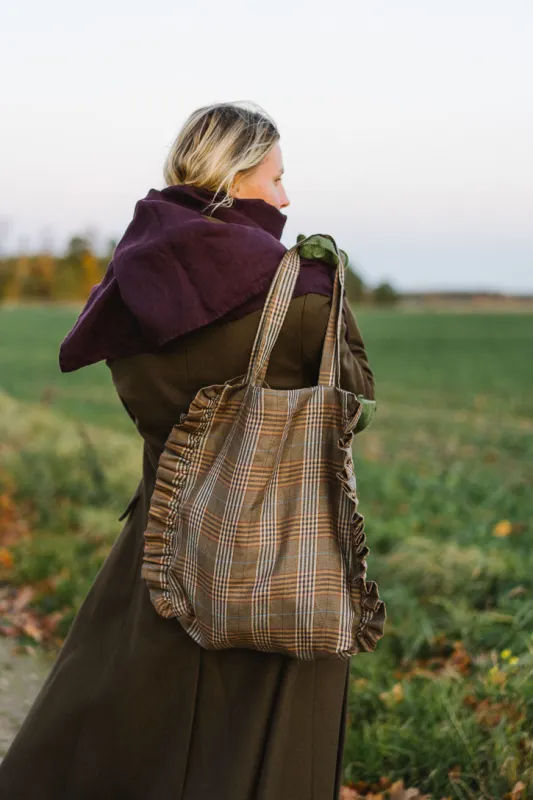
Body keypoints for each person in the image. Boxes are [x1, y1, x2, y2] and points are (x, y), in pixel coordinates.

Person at [0, 101, 381, 800]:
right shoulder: (301, 290)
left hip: (164, 538)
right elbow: (345, 409)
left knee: (130, 722)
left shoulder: (130, 283)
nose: (286, 197)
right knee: (264, 743)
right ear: (235, 177)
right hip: (280, 549)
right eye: (275, 177)